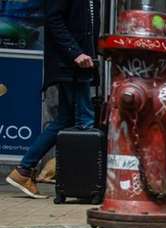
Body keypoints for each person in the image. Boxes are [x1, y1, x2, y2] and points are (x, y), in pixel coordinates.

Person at [5, 0, 99, 199]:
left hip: (81, 65)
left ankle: (23, 170)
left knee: (64, 120)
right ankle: (82, 186)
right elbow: (54, 19)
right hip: (70, 65)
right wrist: (76, 53)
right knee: (85, 122)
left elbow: (87, 26)